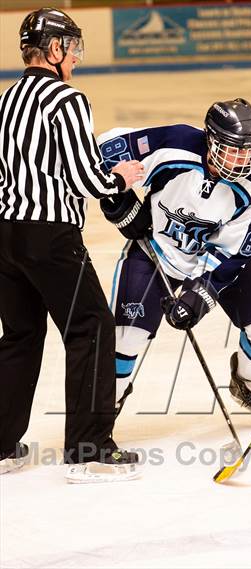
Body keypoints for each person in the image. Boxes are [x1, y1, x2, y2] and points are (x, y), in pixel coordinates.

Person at [0, 8, 145, 482]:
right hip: (51, 235)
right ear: (56, 49)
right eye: (73, 48)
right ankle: (90, 448)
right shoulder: (65, 99)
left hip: (4, 234)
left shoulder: (7, 99)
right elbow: (86, 177)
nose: (77, 58)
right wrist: (119, 178)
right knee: (91, 327)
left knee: (20, 336)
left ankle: (1, 445)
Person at [98, 98, 251, 424]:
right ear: (211, 141)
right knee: (126, 336)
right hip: (155, 250)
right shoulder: (175, 144)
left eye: (250, 149)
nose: (245, 159)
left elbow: (237, 251)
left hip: (211, 260)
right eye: (235, 149)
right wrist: (120, 203)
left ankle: (248, 382)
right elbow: (103, 152)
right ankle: (104, 409)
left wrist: (201, 295)